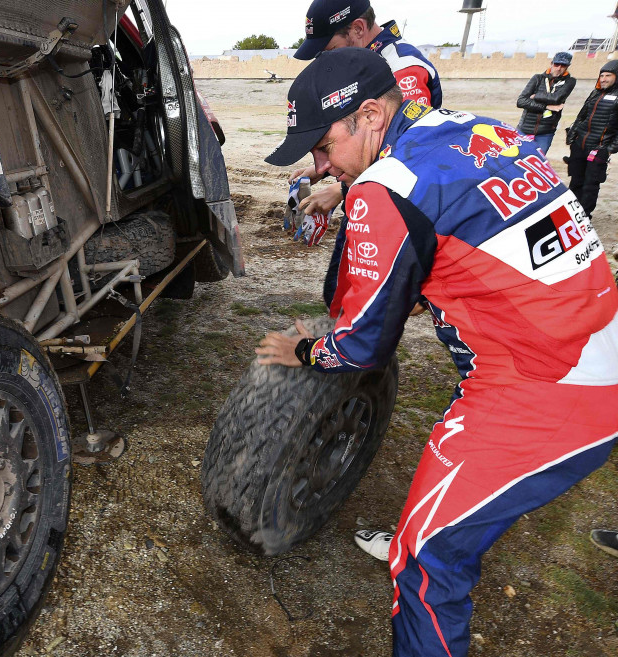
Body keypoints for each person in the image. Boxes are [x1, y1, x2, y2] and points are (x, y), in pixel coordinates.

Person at [259, 47, 618, 657]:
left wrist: (301, 348)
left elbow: (361, 348)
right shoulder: (478, 127)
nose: (321, 165)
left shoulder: (382, 188)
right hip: (591, 337)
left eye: (323, 146)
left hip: (546, 386)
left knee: (425, 560)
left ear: (370, 115)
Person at [290, 0, 443, 219]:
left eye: (332, 50)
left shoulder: (403, 67)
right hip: (372, 188)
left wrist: (340, 190)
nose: (329, 61)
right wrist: (325, 167)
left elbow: (409, 147)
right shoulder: (363, 62)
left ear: (358, 29)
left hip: (405, 201)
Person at [566, 59, 618, 217]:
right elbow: (581, 116)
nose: (603, 79)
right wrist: (572, 136)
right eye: (601, 75)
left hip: (599, 149)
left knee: (590, 185)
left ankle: (584, 215)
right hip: (579, 145)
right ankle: (572, 213)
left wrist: (609, 149)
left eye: (608, 75)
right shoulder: (595, 93)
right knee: (576, 181)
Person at [516, 51, 576, 155]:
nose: (559, 68)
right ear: (551, 63)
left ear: (567, 67)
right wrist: (547, 106)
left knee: (537, 160)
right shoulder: (537, 78)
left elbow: (557, 98)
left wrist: (535, 96)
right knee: (516, 158)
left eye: (563, 65)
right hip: (525, 129)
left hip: (545, 132)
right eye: (557, 64)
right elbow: (521, 101)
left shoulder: (570, 81)